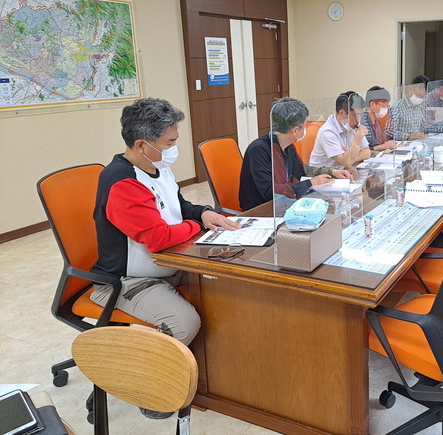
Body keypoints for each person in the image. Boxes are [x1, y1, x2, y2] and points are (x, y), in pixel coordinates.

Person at [91, 98, 240, 419]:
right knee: (185, 323)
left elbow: (177, 205)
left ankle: (210, 375)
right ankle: (147, 384)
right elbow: (158, 238)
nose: (174, 149)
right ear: (141, 145)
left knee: (229, 288)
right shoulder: (123, 183)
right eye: (169, 143)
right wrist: (198, 225)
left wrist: (203, 213)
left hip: (170, 265)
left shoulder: (156, 168)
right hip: (127, 280)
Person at [239, 97, 352, 210]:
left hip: (283, 204)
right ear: (295, 131)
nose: (305, 129)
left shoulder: (287, 146)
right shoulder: (258, 150)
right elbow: (269, 192)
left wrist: (332, 172)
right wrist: (310, 183)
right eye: (304, 126)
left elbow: (301, 171)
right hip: (260, 210)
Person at [309, 91, 371, 168]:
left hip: (344, 171)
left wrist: (351, 156)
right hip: (323, 173)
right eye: (356, 114)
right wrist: (357, 138)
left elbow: (367, 152)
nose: (359, 120)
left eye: (361, 114)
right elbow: (347, 162)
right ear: (342, 113)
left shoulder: (354, 124)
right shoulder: (327, 131)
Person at [386, 76, 443, 140]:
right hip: (402, 147)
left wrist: (442, 129)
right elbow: (389, 132)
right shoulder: (397, 108)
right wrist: (408, 136)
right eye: (419, 96)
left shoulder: (419, 107)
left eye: (423, 97)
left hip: (417, 144)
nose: (421, 99)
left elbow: (425, 127)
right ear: (411, 89)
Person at [360, 86, 398, 151]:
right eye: (383, 105)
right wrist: (383, 146)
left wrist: (388, 144)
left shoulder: (377, 120)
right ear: (372, 104)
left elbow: (381, 142)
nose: (386, 109)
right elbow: (364, 150)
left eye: (387, 105)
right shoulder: (363, 122)